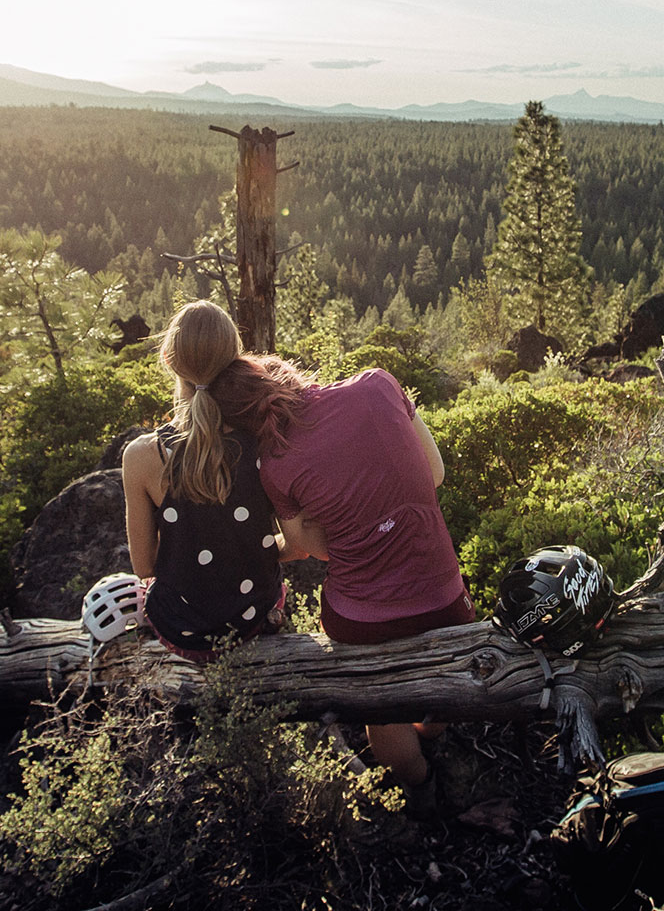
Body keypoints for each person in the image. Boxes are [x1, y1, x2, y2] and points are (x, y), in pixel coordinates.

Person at [200, 305, 471, 791]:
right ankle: (432, 730)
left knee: (378, 707)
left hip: (361, 620)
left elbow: (311, 549)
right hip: (445, 598)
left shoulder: (275, 464)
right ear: (281, 371)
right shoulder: (378, 384)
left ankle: (417, 784)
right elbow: (434, 474)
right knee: (442, 689)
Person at [121, 301, 285, 662]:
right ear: (236, 360)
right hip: (254, 621)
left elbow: (144, 567)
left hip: (182, 631)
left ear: (167, 358)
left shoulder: (140, 456)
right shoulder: (263, 438)